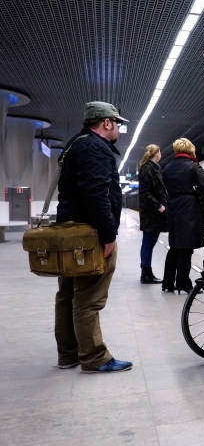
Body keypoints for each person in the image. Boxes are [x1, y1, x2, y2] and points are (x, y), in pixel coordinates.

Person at [54, 101, 132, 373]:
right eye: (117, 123)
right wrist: (108, 234)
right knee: (89, 297)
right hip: (89, 234)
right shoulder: (96, 148)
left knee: (67, 295)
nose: (119, 129)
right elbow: (97, 194)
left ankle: (69, 354)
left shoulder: (75, 143)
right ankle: (94, 357)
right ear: (106, 123)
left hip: (69, 230)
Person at [161, 138, 204, 294]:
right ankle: (183, 283)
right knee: (186, 249)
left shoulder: (168, 168)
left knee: (175, 247)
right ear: (190, 149)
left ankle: (168, 282)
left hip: (173, 209)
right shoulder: (193, 166)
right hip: (189, 210)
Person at [138, 144, 168, 284]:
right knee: (148, 244)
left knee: (148, 244)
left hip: (151, 215)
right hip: (151, 214)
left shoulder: (150, 168)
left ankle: (146, 271)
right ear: (156, 154)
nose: (160, 154)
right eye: (160, 152)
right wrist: (159, 206)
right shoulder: (147, 169)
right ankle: (146, 274)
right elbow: (144, 192)